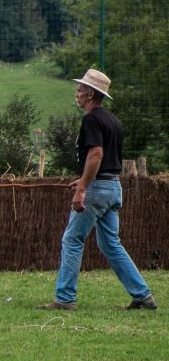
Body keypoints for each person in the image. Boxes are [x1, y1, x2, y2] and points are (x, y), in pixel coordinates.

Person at [38, 68, 157, 311]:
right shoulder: (113, 120)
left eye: (81, 89)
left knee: (72, 240)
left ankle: (65, 298)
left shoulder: (91, 120)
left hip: (97, 189)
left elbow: (96, 155)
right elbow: (106, 159)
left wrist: (82, 188)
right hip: (113, 187)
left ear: (91, 94)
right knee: (110, 244)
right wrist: (83, 179)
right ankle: (143, 295)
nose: (77, 93)